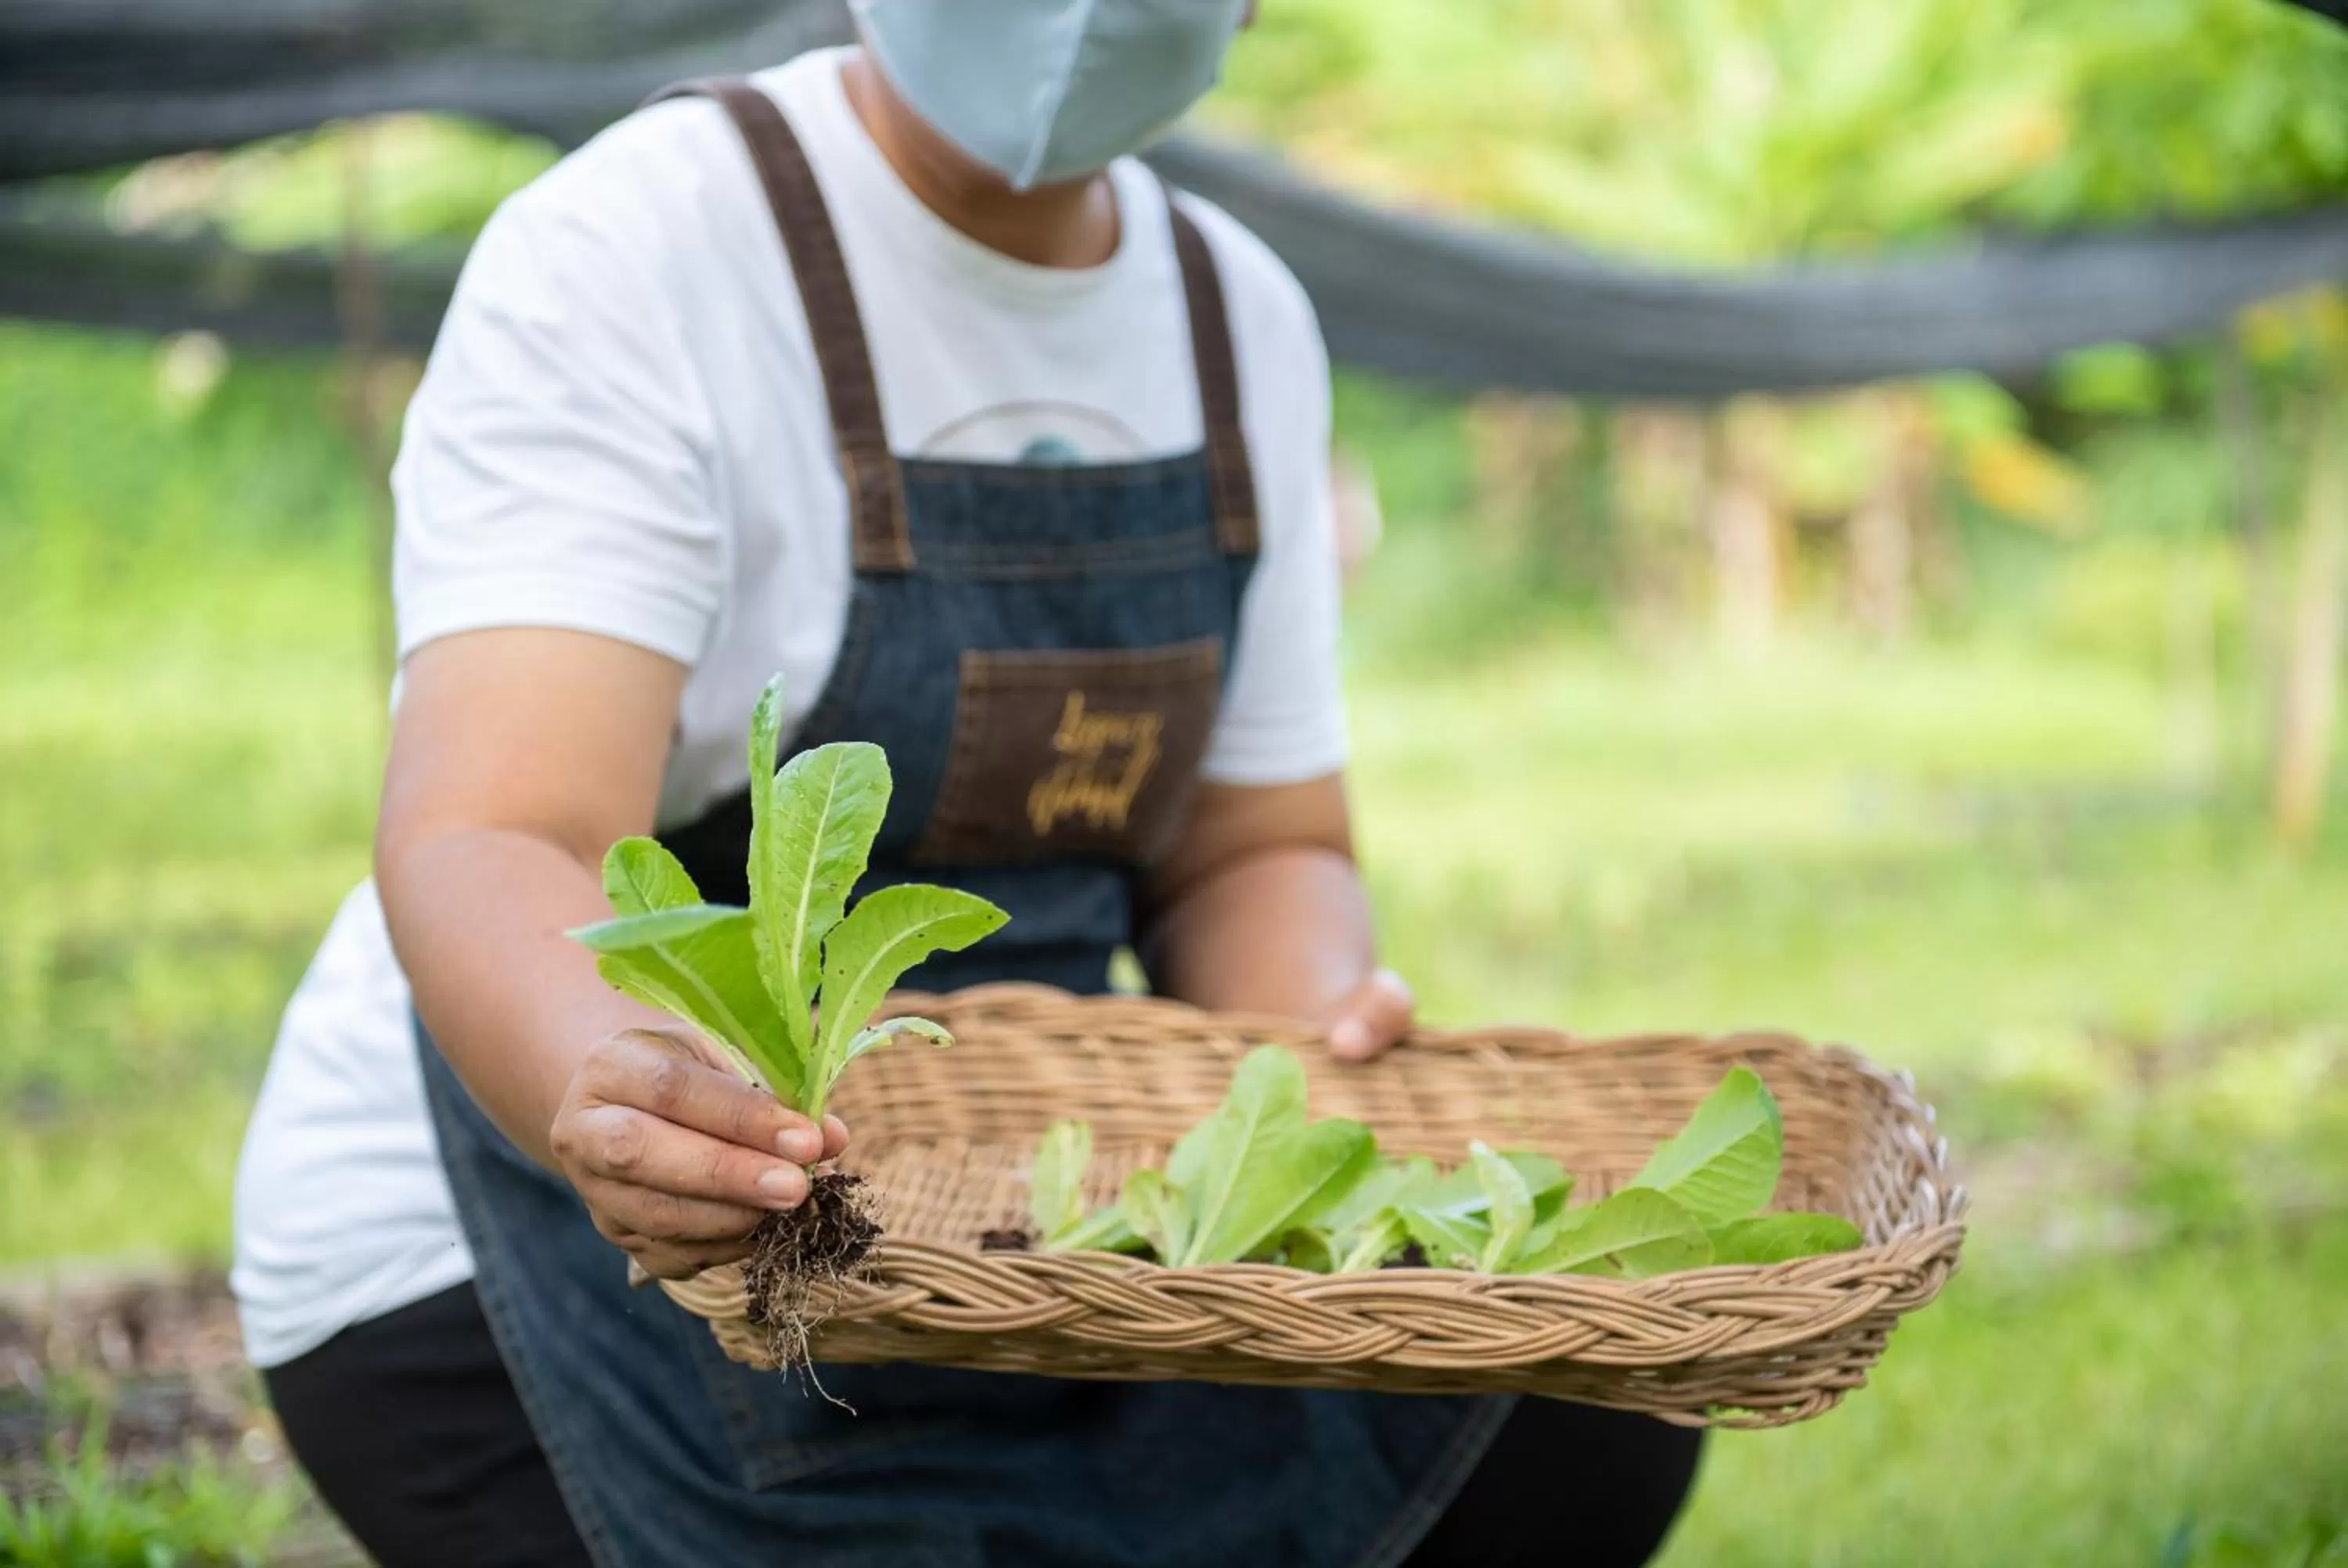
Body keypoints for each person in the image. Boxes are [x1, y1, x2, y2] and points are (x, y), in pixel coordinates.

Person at [230, 4, 1704, 1563]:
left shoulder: (1234, 314)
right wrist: (620, 1094)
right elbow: (497, 826)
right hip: (561, 1230)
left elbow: (1252, 851)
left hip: (1026, 1220)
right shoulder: (639, 245)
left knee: (1564, 1431)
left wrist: (1313, 1081)